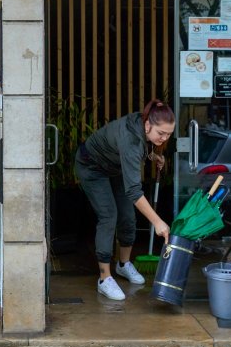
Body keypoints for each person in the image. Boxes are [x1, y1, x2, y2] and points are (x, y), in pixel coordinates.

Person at [74, 99, 174, 301]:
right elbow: (134, 191)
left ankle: (123, 264)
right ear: (148, 124)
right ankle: (104, 278)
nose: (164, 138)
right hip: (91, 167)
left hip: (115, 168)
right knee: (109, 216)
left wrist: (153, 156)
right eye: (161, 133)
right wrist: (157, 222)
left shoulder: (143, 123)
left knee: (128, 216)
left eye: (168, 134)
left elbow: (140, 146)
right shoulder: (131, 140)